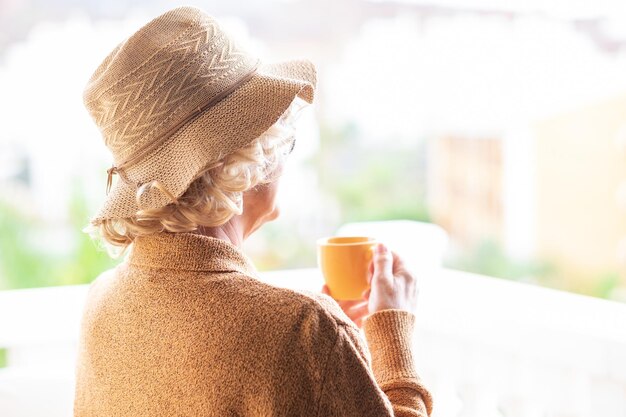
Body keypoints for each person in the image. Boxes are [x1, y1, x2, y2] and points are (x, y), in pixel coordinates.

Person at [74, 6, 433, 417]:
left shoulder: (102, 302)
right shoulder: (299, 330)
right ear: (244, 163)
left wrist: (328, 343)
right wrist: (391, 332)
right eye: (282, 144)